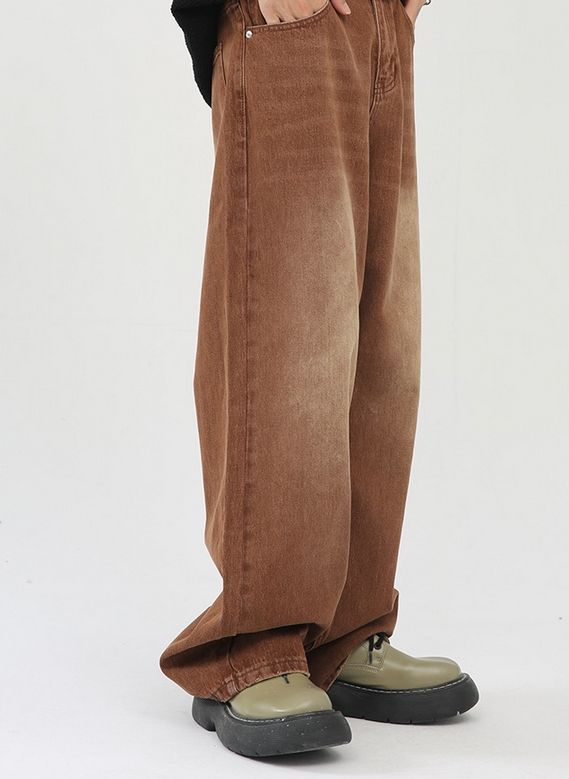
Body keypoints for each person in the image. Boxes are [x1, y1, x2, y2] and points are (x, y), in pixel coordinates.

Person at [160, 0, 479, 757]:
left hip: (379, 24)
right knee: (287, 330)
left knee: (380, 346)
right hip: (283, 24)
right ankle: (254, 646)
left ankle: (346, 631)